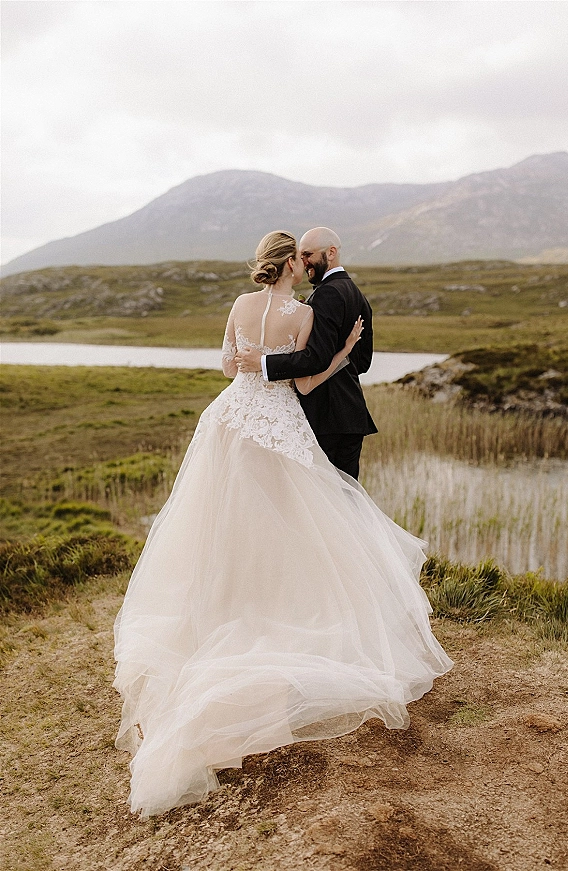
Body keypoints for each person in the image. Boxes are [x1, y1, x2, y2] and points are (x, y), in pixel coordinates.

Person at [113, 231, 452, 819]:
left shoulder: (241, 307)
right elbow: (303, 380)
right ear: (294, 263)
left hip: (230, 419)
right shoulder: (299, 315)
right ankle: (286, 607)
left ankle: (223, 606)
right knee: (294, 524)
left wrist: (249, 367)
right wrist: (343, 352)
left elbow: (229, 364)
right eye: (301, 256)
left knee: (223, 523)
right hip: (279, 424)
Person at [235, 227, 377, 480]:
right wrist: (344, 353)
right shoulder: (356, 293)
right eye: (300, 255)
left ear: (331, 253)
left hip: (327, 417)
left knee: (326, 505)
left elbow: (316, 358)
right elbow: (363, 362)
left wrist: (263, 362)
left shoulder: (328, 294)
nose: (303, 261)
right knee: (346, 505)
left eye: (308, 254)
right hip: (348, 415)